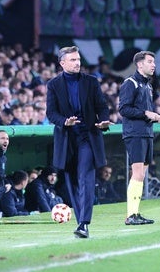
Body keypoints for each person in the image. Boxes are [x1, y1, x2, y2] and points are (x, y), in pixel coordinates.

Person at [46, 46, 112, 238]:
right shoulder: (53, 85)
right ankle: (80, 222)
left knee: (85, 178)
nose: (77, 63)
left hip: (87, 137)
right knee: (72, 181)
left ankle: (84, 223)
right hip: (67, 139)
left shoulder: (91, 82)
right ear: (62, 63)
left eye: (78, 59)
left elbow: (102, 106)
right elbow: (51, 113)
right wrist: (64, 121)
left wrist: (103, 120)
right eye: (73, 60)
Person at [119, 51, 160, 225]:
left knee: (141, 174)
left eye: (154, 62)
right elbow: (124, 109)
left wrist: (152, 116)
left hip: (146, 133)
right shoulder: (130, 83)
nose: (154, 65)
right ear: (140, 65)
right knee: (137, 173)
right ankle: (131, 215)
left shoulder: (148, 85)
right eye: (150, 62)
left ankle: (135, 213)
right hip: (135, 133)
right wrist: (147, 113)